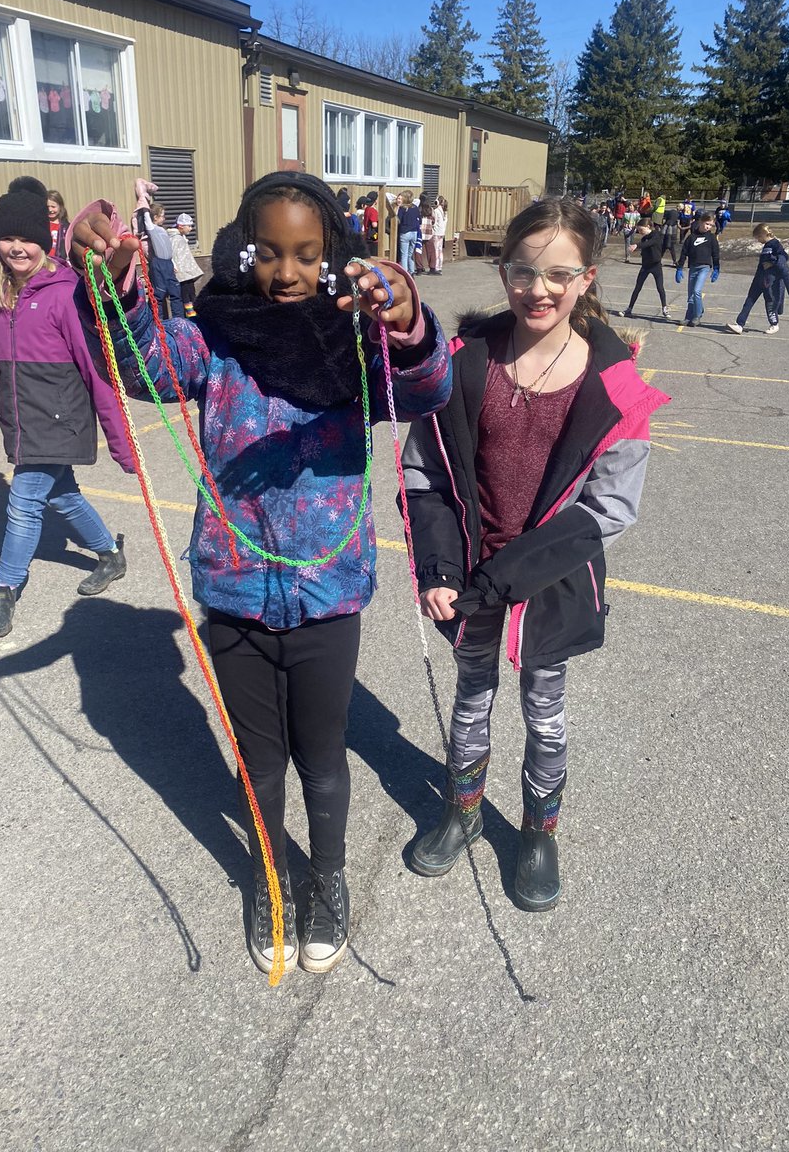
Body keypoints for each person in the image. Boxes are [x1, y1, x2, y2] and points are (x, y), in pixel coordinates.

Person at [68, 170, 452, 975]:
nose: (287, 272)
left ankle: (328, 876)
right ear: (245, 251)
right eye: (270, 253)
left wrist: (407, 317)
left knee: (322, 754)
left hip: (327, 593)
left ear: (331, 254)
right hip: (235, 592)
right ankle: (271, 875)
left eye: (306, 255)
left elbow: (425, 386)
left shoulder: (357, 341)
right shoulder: (216, 336)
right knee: (259, 759)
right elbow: (143, 365)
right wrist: (116, 288)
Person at [401, 197, 669, 910]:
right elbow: (424, 475)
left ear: (587, 278)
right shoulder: (464, 364)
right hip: (468, 577)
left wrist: (508, 576)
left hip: (550, 580)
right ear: (503, 272)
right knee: (471, 699)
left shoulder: (616, 387)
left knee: (545, 712)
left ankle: (538, 830)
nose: (538, 289)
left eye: (558, 274)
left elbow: (609, 508)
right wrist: (439, 568)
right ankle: (462, 810)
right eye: (522, 271)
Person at [0, 176, 133, 641]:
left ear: (44, 240)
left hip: (62, 420)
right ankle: (110, 554)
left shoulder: (65, 293)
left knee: (24, 502)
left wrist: (123, 443)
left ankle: (4, 589)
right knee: (62, 496)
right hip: (22, 423)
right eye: (7, 238)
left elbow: (97, 370)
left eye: (27, 238)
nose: (17, 248)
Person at [726, 224, 789, 335]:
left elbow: (784, 256)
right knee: (749, 300)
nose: (758, 240)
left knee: (770, 302)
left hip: (770, 280)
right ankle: (739, 324)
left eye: (758, 237)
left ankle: (774, 324)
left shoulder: (775, 244)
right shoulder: (766, 245)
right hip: (759, 278)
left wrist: (773, 262)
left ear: (764, 234)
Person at [133, 178, 182, 318]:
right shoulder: (152, 228)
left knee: (175, 291)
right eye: (162, 216)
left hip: (168, 263)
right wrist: (144, 202)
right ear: (155, 217)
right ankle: (157, 319)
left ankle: (179, 318)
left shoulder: (162, 230)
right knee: (159, 293)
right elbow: (146, 217)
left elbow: (168, 249)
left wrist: (173, 263)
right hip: (159, 263)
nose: (164, 219)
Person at [676, 211, 720, 327]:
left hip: (704, 267)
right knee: (691, 294)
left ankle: (697, 315)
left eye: (710, 225)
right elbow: (684, 253)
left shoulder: (711, 238)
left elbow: (715, 254)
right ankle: (688, 316)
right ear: (700, 222)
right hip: (693, 267)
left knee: (696, 291)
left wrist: (716, 268)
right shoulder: (691, 237)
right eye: (706, 224)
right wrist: (679, 268)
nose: (708, 227)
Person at [619, 220, 670, 319]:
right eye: (638, 230)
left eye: (641, 230)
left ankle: (664, 308)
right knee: (637, 287)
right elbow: (644, 246)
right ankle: (629, 308)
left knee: (660, 287)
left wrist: (636, 245)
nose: (640, 232)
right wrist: (637, 249)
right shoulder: (644, 239)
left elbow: (650, 243)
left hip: (656, 265)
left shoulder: (656, 235)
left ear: (648, 226)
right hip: (645, 266)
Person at [168, 212, 203, 318]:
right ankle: (191, 315)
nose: (191, 229)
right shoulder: (175, 239)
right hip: (182, 273)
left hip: (187, 273)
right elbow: (171, 253)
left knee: (191, 293)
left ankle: (194, 313)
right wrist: (173, 264)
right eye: (189, 226)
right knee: (186, 295)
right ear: (181, 226)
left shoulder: (180, 237)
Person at [396, 189, 420, 274]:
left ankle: (405, 273)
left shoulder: (402, 208)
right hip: (414, 232)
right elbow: (419, 220)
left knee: (404, 255)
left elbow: (398, 220)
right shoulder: (415, 207)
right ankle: (411, 272)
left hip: (405, 232)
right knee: (410, 254)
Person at [46, 190, 70, 260]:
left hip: (60, 260)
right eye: (47, 207)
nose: (50, 210)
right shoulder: (42, 224)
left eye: (53, 207)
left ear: (60, 207)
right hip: (45, 260)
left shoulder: (66, 227)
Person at [431, 196, 448, 274]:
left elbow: (434, 222)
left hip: (436, 232)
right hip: (442, 233)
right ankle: (440, 266)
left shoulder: (436, 211)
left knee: (435, 250)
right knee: (440, 250)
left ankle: (436, 267)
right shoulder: (445, 212)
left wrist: (433, 227)